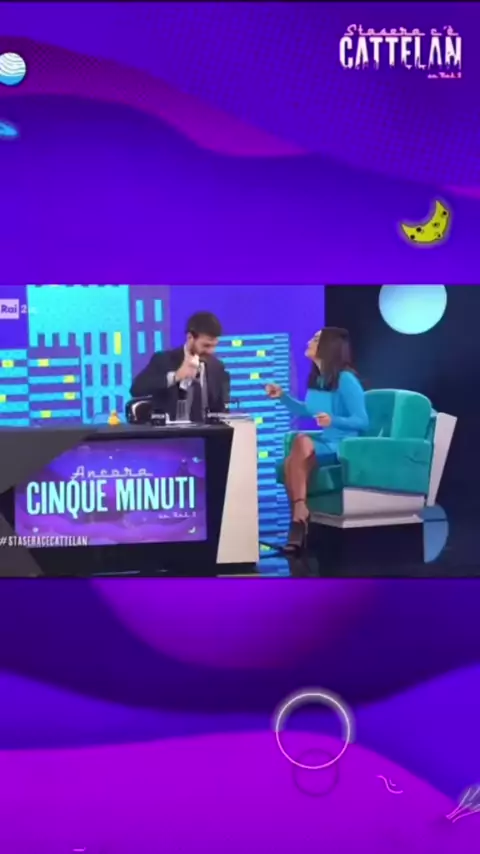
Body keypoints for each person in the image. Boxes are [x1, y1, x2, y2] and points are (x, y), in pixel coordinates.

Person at [265, 327, 368, 552]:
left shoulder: (346, 379)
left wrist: (334, 420)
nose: (309, 341)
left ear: (329, 346)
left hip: (343, 446)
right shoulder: (319, 379)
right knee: (298, 447)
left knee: (300, 445)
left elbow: (362, 421)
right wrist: (282, 397)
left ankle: (297, 519)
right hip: (325, 441)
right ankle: (300, 514)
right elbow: (307, 410)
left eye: (316, 339)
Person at [130, 311, 229, 421]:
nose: (211, 351)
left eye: (214, 346)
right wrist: (175, 377)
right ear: (190, 338)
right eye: (206, 346)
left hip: (207, 431)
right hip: (170, 430)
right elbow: (136, 389)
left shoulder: (217, 367)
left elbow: (222, 410)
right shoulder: (164, 360)